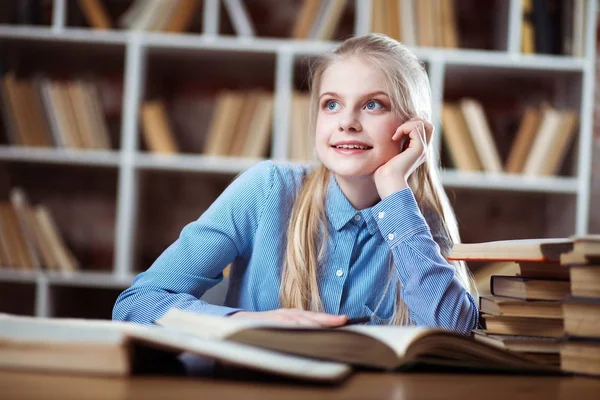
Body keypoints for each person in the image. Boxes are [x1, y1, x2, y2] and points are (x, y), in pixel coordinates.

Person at [113, 33, 478, 333]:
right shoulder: (267, 189)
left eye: (373, 105)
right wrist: (249, 323)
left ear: (412, 128)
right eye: (331, 104)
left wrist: (395, 188)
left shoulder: (416, 222)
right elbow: (137, 304)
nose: (346, 122)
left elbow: (457, 334)